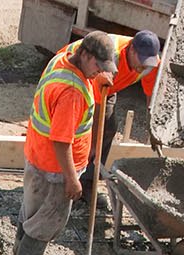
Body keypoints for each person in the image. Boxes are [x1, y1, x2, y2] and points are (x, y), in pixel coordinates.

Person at [5, 31, 117, 255]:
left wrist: (100, 78)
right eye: (97, 66)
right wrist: (72, 180)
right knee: (46, 223)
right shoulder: (73, 92)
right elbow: (61, 140)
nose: (98, 72)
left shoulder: (62, 60)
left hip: (37, 155)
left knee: (31, 210)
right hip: (55, 169)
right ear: (86, 55)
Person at [54, 30, 163, 192]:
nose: (143, 67)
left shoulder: (151, 63)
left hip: (108, 86)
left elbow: (150, 97)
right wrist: (92, 145)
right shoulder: (109, 61)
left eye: (148, 62)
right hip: (75, 71)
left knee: (109, 128)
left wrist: (153, 128)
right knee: (80, 130)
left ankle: (88, 183)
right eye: (141, 61)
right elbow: (97, 109)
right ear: (131, 50)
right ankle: (69, 178)